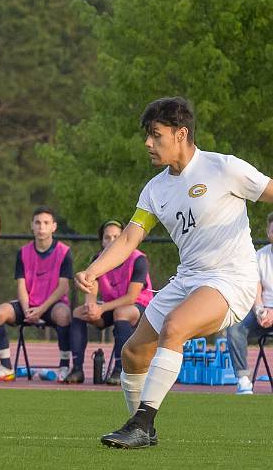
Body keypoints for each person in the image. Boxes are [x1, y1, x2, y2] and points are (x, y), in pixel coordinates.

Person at [75, 97, 273, 449]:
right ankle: (142, 429)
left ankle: (141, 422)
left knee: (176, 326)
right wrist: (93, 270)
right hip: (188, 279)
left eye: (155, 135)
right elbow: (128, 240)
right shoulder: (155, 189)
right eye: (148, 136)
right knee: (133, 353)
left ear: (181, 134)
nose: (148, 144)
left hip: (232, 280)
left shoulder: (224, 168)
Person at [0, 206, 72, 382]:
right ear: (31, 225)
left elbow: (63, 288)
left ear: (54, 226)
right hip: (28, 305)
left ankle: (64, 366)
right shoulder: (23, 252)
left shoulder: (64, 252)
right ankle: (6, 367)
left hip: (51, 305)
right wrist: (27, 310)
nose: (41, 227)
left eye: (46, 223)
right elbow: (21, 285)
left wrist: (40, 310)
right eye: (38, 223)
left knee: (64, 314)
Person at [66, 219, 153, 384]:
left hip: (138, 307)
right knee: (79, 312)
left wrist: (102, 308)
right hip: (111, 307)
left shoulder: (138, 259)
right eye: (107, 237)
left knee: (121, 313)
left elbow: (131, 297)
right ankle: (77, 369)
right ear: (102, 241)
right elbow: (91, 286)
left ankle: (120, 369)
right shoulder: (97, 260)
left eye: (116, 237)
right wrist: (91, 306)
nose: (112, 241)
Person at [227, 212, 273, 394]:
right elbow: (257, 288)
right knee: (235, 325)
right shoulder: (259, 256)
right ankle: (243, 379)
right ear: (268, 232)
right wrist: (261, 311)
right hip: (262, 314)